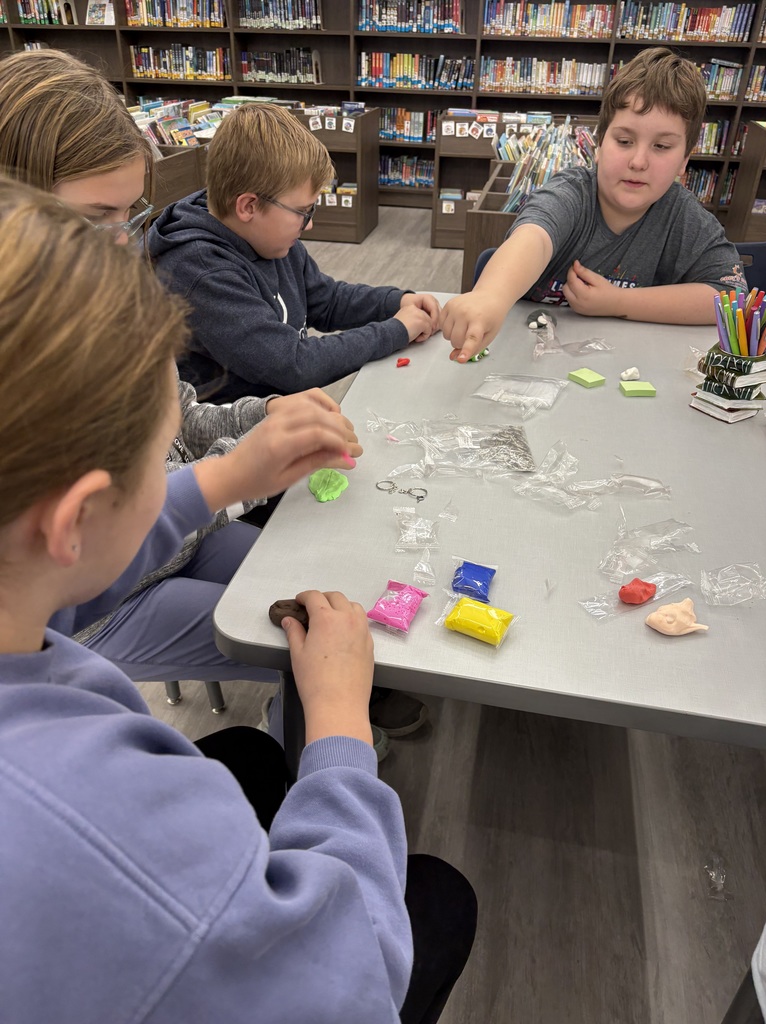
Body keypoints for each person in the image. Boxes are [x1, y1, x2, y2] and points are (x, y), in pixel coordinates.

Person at [0, 178, 476, 1024]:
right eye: (164, 457)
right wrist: (336, 724)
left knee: (254, 762)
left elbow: (61, 590)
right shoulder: (104, 824)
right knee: (440, 897)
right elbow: (350, 964)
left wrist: (218, 478)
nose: (178, 464)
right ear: (74, 520)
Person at [0, 49, 363, 694]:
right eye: (94, 219)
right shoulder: (31, 365)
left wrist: (260, 417)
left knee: (319, 603)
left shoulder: (111, 300)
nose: (122, 245)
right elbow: (111, 547)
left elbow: (183, 417)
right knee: (301, 649)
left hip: (177, 534)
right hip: (107, 603)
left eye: (128, 216)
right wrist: (235, 478)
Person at [441, 47, 748, 363]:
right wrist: (490, 297)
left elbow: (732, 300)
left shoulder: (687, 220)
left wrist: (618, 302)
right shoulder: (571, 193)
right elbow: (533, 237)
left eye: (662, 146)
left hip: (626, 369)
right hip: (527, 363)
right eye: (624, 141)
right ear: (598, 145)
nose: (638, 161)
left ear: (684, 160)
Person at [148, 102, 443, 401]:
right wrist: (396, 330)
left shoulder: (269, 239)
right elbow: (293, 365)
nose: (310, 223)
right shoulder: (200, 270)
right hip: (237, 436)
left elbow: (326, 301)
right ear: (249, 206)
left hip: (281, 414)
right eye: (303, 211)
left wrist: (396, 301)